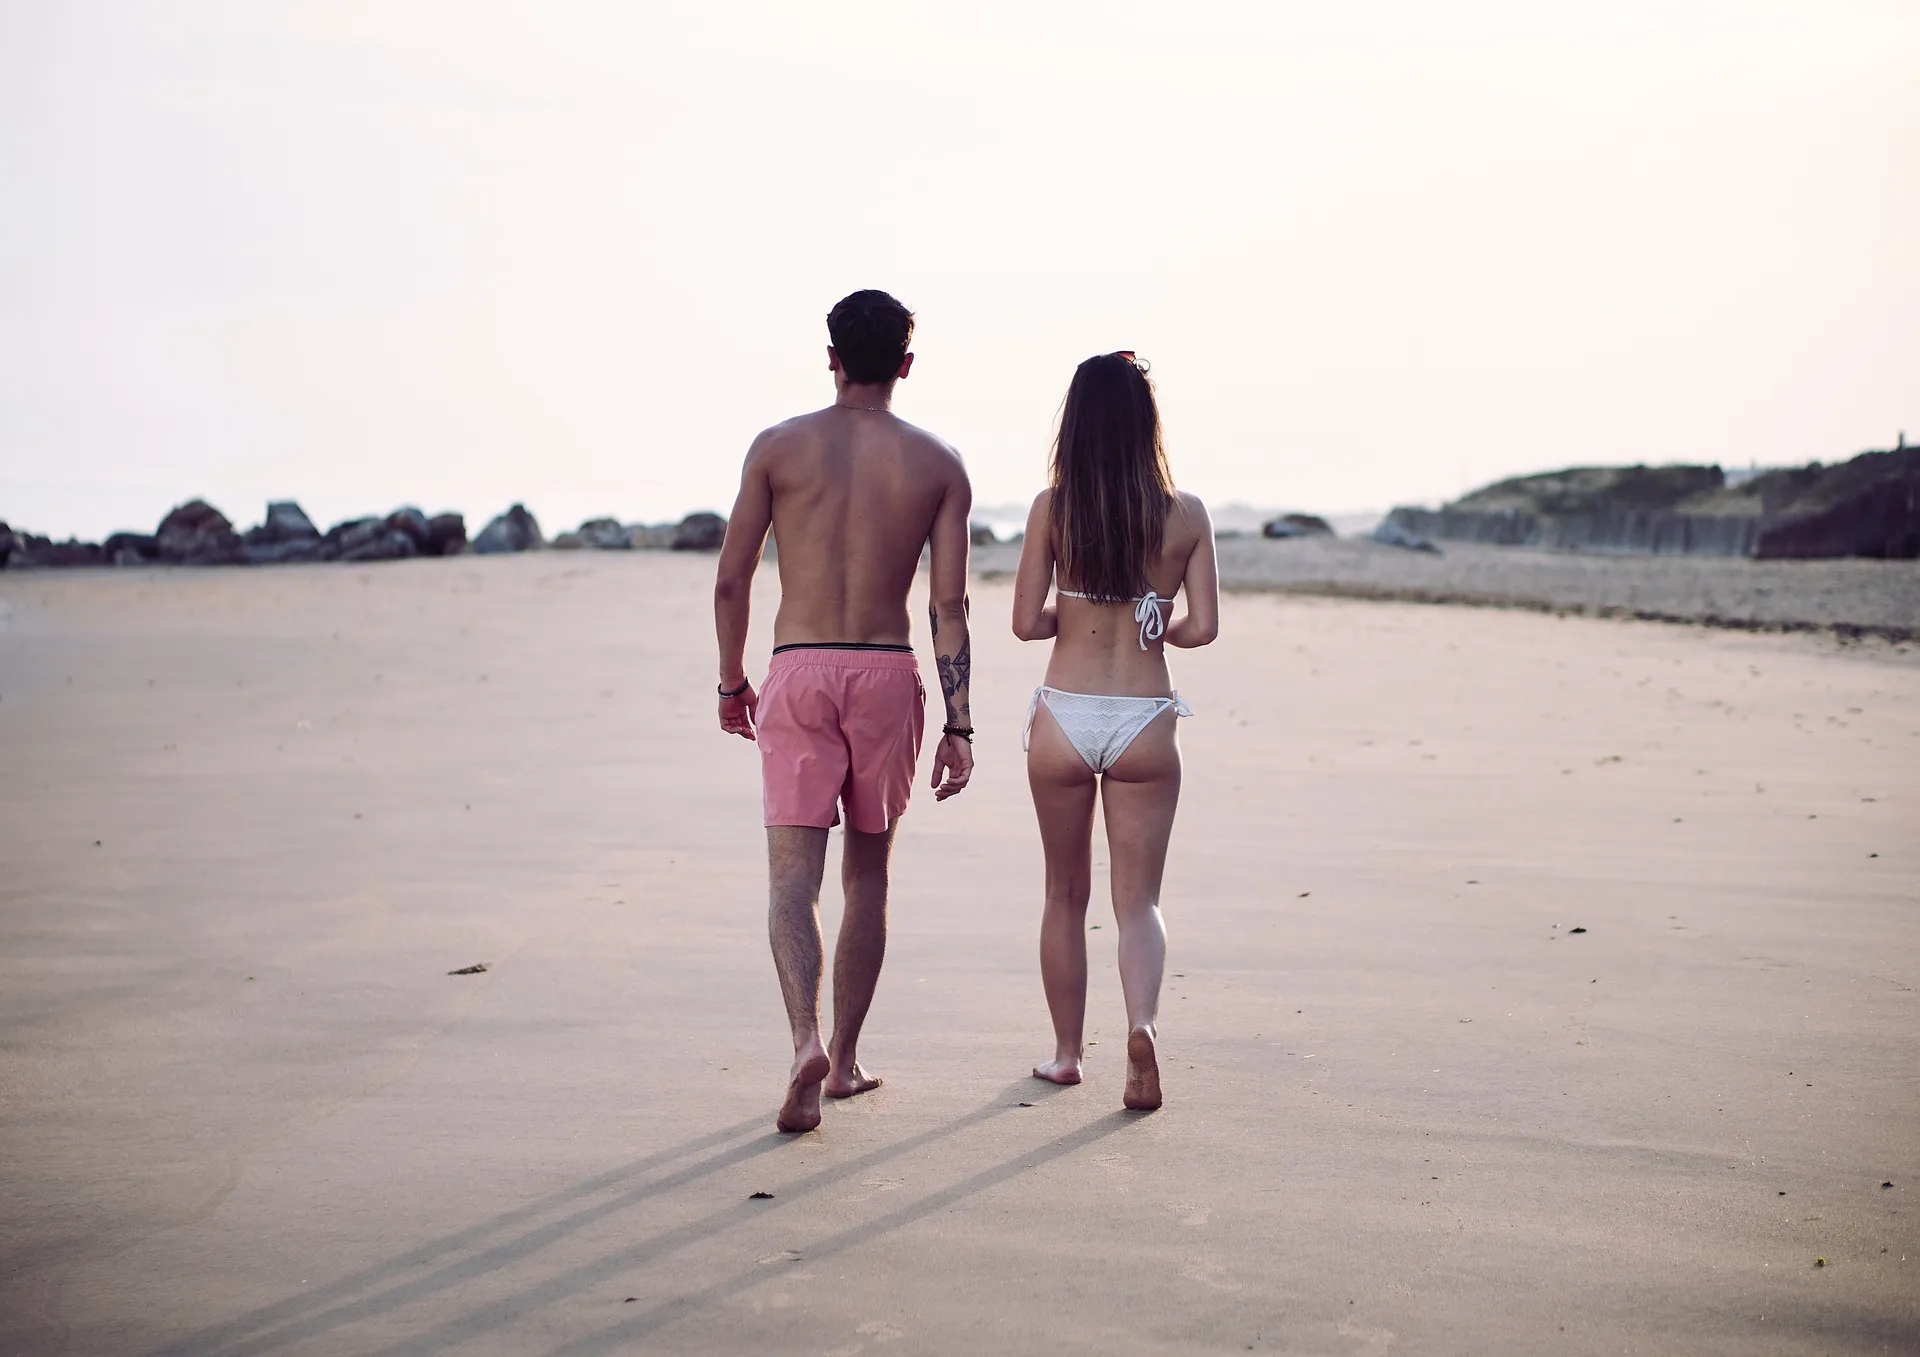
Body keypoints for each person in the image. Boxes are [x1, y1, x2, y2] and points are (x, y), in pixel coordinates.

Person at [713, 290, 976, 1134]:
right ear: (905, 363)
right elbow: (951, 606)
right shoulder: (939, 464)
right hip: (887, 671)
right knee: (868, 875)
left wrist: (731, 681)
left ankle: (802, 1039)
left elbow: (732, 578)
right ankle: (848, 1060)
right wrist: (960, 722)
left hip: (798, 666)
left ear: (829, 355)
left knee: (794, 878)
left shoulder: (777, 448)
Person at [1010, 352, 1219, 1111]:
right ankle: (1142, 1026)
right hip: (1144, 718)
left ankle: (1067, 1056)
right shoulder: (1185, 513)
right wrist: (1156, 616)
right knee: (1139, 901)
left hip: (1065, 715)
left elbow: (1024, 621)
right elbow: (1204, 629)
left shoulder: (1052, 508)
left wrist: (1072, 611)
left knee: (1065, 893)